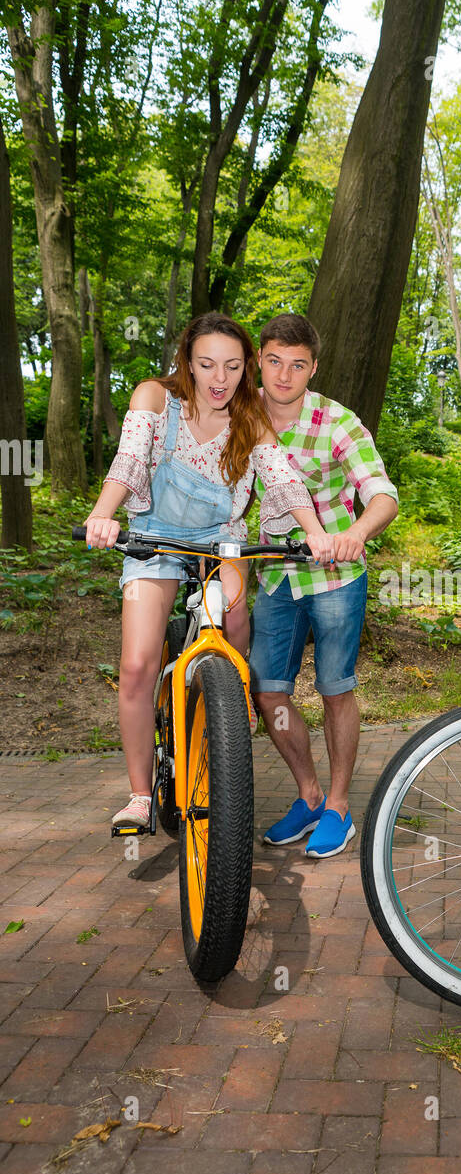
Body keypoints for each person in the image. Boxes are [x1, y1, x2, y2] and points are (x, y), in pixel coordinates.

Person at [84, 311, 334, 829]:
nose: (220, 379)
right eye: (207, 365)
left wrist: (313, 531)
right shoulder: (155, 397)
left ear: (246, 368)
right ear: (188, 363)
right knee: (136, 664)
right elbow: (130, 461)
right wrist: (103, 514)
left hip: (221, 537)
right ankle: (138, 795)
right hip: (153, 536)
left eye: (233, 367)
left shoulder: (251, 417)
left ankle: (226, 711)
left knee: (238, 621)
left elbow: (282, 479)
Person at [249, 312, 399, 859]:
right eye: (273, 362)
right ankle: (309, 794)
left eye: (297, 365)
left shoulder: (338, 421)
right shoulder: (240, 416)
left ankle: (338, 807)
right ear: (259, 361)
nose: (283, 375)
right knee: (269, 692)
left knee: (335, 690)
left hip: (335, 575)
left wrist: (357, 532)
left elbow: (382, 493)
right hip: (274, 577)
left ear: (313, 368)